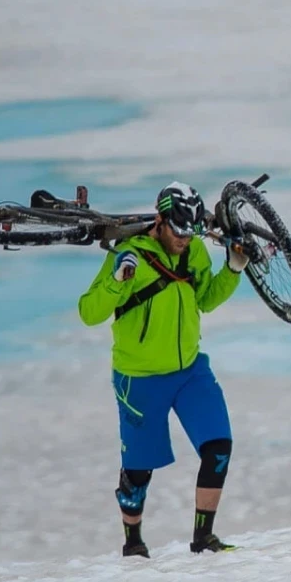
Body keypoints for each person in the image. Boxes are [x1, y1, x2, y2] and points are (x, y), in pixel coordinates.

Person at [78, 181, 251, 556]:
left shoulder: (196, 252)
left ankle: (203, 537)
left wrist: (233, 271)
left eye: (191, 233)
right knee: (139, 473)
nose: (185, 240)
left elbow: (205, 300)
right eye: (178, 232)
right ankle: (134, 543)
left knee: (218, 446)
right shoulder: (128, 255)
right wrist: (116, 281)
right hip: (139, 379)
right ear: (161, 220)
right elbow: (89, 313)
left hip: (190, 371)